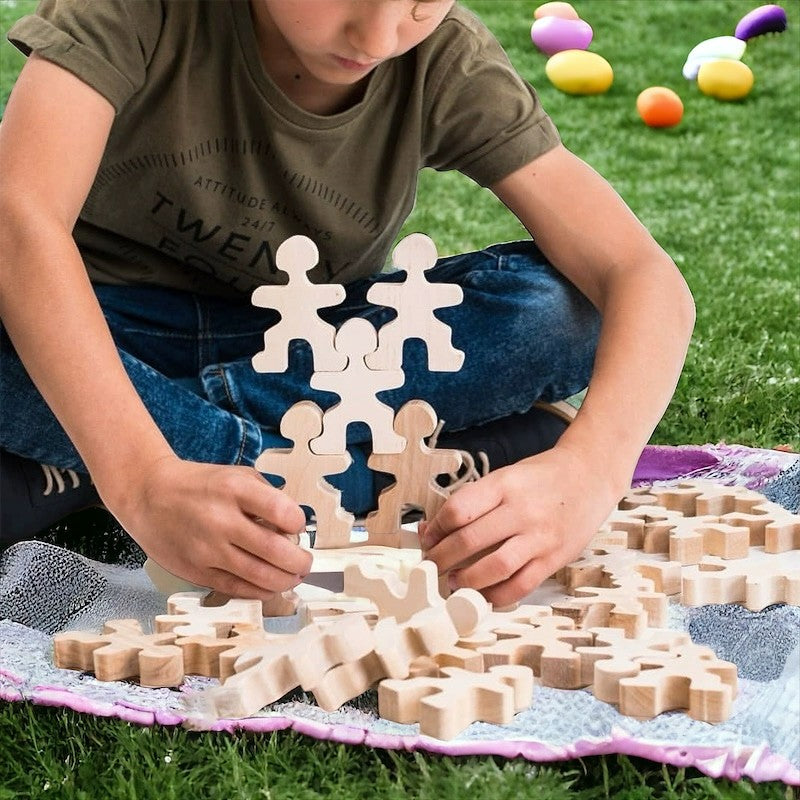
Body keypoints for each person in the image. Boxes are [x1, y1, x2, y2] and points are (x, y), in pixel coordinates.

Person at [0, 0, 694, 608]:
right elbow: (20, 225)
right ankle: (386, 469)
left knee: (563, 311)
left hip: (312, 351)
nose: (380, 31)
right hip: (101, 327)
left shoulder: (442, 55)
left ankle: (74, 471)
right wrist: (141, 480)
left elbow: (638, 273)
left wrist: (592, 469)